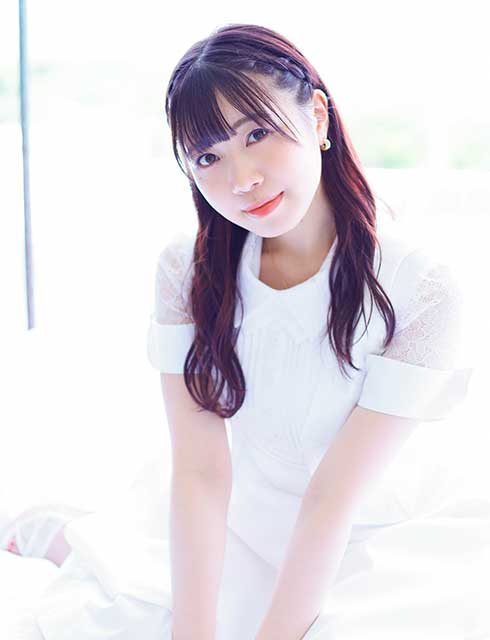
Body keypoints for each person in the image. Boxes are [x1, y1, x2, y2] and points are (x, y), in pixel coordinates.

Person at [3, 21, 489, 640]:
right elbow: (201, 471)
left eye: (256, 133)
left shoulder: (420, 287)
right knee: (127, 612)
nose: (241, 180)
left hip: (381, 533)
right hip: (244, 515)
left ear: (317, 116)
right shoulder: (189, 271)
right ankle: (64, 534)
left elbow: (333, 498)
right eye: (208, 157)